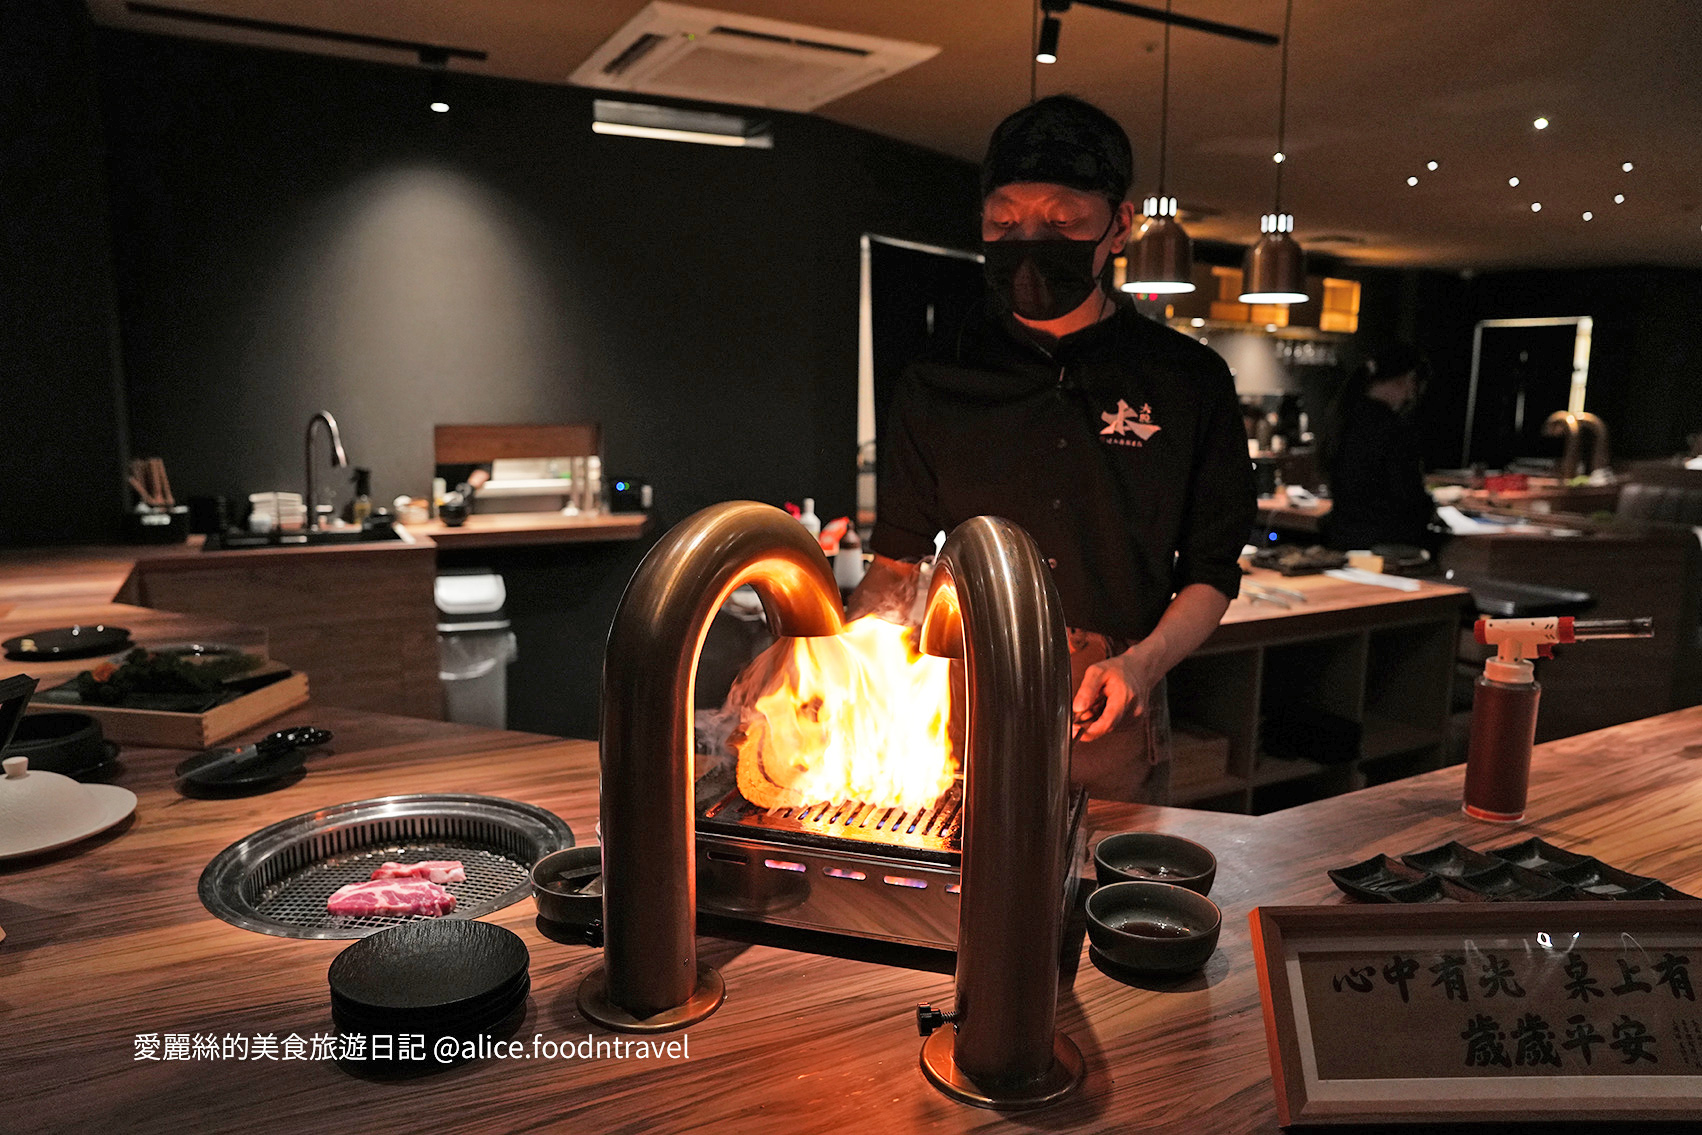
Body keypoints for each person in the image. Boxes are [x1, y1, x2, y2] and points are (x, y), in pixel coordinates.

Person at [849, 95, 1257, 803]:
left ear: (1120, 224)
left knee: (1097, 899)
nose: (1030, 240)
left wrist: (1142, 666)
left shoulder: (1188, 380)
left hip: (1109, 704)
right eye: (1004, 221)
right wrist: (826, 654)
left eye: (1063, 221)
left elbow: (1212, 572)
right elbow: (895, 570)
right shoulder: (937, 379)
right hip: (963, 696)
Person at [1322, 343, 1438, 553]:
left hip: (1343, 537)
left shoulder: (1343, 418)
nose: (1411, 396)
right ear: (1408, 379)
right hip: (1387, 543)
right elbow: (1406, 493)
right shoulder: (1393, 430)